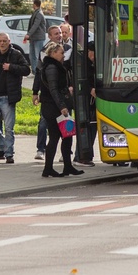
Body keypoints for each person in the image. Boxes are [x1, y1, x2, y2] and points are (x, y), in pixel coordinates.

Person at [0, 33, 31, 163]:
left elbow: (26, 69)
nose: (2, 43)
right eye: (0, 41)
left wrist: (11, 67)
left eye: (5, 41)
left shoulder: (16, 54)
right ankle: (3, 145)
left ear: (9, 41)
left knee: (9, 127)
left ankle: (9, 154)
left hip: (8, 97)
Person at [39, 43, 84, 178]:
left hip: (57, 106)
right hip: (53, 108)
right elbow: (53, 89)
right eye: (61, 53)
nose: (63, 55)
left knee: (67, 135)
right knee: (55, 137)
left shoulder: (55, 66)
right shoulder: (52, 67)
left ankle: (68, 166)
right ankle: (48, 168)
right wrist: (62, 106)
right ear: (53, 53)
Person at [32, 24, 67, 160]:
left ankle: (66, 155)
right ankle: (41, 149)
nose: (59, 35)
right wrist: (35, 91)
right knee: (44, 123)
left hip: (63, 94)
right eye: (56, 34)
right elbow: (38, 72)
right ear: (49, 36)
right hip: (50, 97)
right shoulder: (44, 52)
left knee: (65, 127)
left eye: (60, 33)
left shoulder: (68, 48)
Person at [74, 40, 97, 167]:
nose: (94, 56)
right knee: (86, 128)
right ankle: (81, 156)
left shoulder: (96, 63)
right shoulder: (82, 64)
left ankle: (86, 155)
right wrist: (90, 89)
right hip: (86, 101)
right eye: (92, 53)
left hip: (93, 101)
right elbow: (82, 80)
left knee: (92, 128)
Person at [24, 0, 47, 74]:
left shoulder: (39, 14)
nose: (32, 5)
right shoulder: (36, 13)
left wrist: (28, 34)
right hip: (34, 38)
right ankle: (34, 71)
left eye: (33, 4)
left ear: (35, 4)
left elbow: (35, 25)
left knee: (38, 56)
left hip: (38, 38)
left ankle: (39, 71)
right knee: (32, 55)